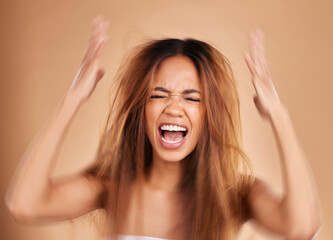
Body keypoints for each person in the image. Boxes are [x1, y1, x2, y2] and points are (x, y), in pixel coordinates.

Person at [5, 16, 321, 240]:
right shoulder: (111, 186)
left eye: (191, 97)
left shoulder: (235, 194)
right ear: (142, 108)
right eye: (159, 94)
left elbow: (302, 227)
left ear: (209, 114)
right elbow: (24, 204)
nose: (173, 107)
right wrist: (72, 100)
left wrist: (279, 116)